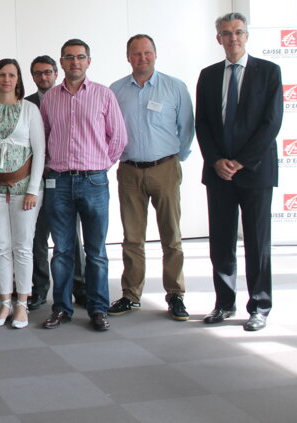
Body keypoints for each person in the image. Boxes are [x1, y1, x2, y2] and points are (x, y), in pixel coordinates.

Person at [195, 13, 283, 331]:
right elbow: (202, 122)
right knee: (221, 240)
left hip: (256, 171)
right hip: (218, 173)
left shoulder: (269, 72)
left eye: (238, 32)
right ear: (218, 38)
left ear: (247, 36)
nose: (233, 38)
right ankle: (224, 303)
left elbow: (271, 123)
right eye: (226, 33)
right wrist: (217, 160)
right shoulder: (208, 75)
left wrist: (241, 161)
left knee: (258, 242)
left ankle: (259, 305)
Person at [39, 39, 128, 332]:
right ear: (61, 63)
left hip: (93, 180)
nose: (75, 62)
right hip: (60, 181)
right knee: (62, 250)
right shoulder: (50, 98)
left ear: (88, 61)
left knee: (96, 250)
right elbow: (44, 137)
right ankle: (61, 308)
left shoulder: (104, 95)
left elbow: (118, 138)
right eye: (69, 57)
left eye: (80, 57)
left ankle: (98, 308)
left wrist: (100, 165)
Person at [109, 34, 195, 321]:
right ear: (128, 57)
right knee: (132, 238)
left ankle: (175, 294)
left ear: (155, 54)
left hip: (165, 168)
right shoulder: (116, 90)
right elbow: (110, 130)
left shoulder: (175, 87)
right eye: (136, 54)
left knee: (171, 236)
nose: (141, 58)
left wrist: (175, 159)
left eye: (146, 53)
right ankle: (131, 295)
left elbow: (186, 128)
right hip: (129, 170)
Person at [0, 58, 45, 329]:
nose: (6, 79)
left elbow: (39, 152)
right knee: (1, 246)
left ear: (18, 79)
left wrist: (34, 190)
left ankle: (22, 304)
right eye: (2, 74)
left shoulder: (30, 110)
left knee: (23, 247)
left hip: (25, 189)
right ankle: (5, 303)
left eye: (11, 74)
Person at [25, 55, 87, 311]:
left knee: (71, 237)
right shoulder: (25, 104)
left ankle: (79, 287)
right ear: (33, 76)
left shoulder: (67, 99)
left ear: (56, 72)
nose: (44, 77)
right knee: (37, 238)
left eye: (48, 72)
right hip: (35, 182)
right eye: (38, 73)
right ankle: (39, 289)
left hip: (62, 179)